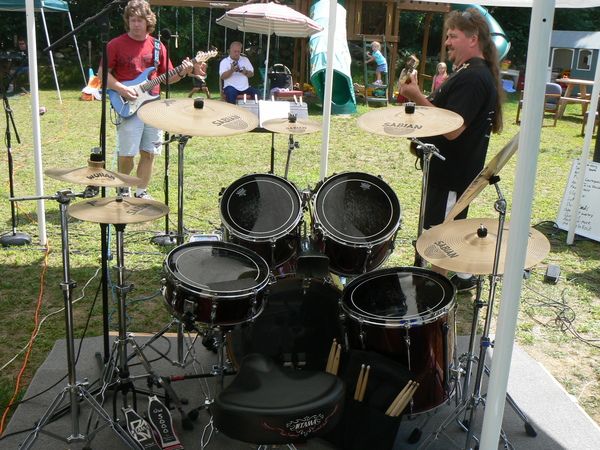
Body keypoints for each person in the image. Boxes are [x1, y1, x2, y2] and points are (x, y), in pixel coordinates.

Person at [399, 8, 503, 291]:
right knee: (441, 229)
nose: (447, 42)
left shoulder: (474, 77)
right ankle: (459, 277)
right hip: (448, 171)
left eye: (453, 36)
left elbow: (453, 129)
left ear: (473, 39)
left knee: (442, 235)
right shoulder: (469, 73)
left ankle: (436, 291)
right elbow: (447, 114)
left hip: (452, 174)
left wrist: (416, 95)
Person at [100, 0, 192, 199]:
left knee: (149, 152)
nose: (135, 24)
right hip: (128, 104)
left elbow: (168, 78)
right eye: (132, 20)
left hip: (153, 107)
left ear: (148, 21)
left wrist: (183, 72)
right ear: (127, 21)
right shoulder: (115, 44)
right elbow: (102, 74)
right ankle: (124, 190)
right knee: (127, 152)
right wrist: (122, 89)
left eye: (139, 20)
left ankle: (141, 192)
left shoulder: (158, 46)